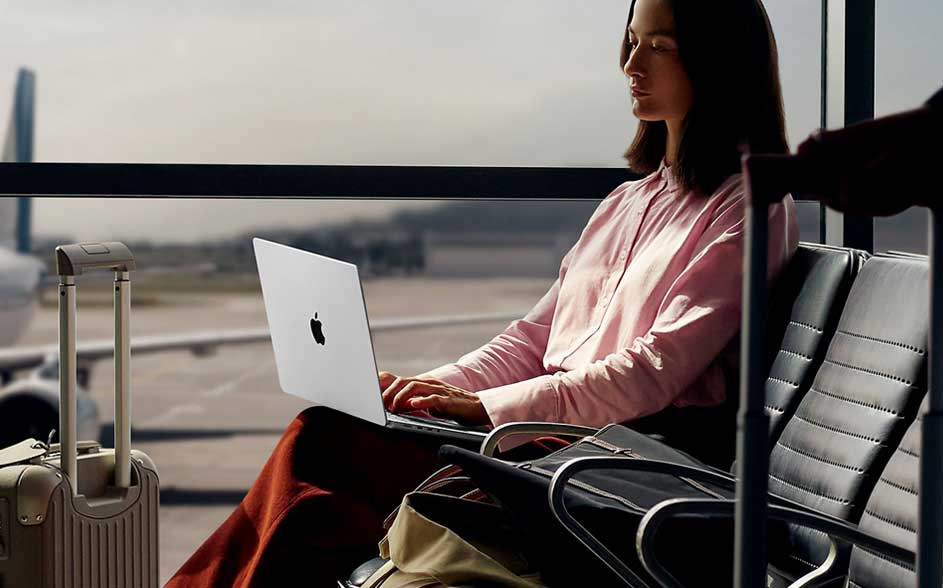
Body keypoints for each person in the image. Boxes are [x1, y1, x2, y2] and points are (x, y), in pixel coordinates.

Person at [165, 1, 799, 586]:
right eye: (630, 44)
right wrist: (428, 394)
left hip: (606, 455)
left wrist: (486, 410)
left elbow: (651, 374)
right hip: (537, 432)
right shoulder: (626, 203)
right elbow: (532, 338)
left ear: (718, 59)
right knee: (332, 442)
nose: (631, 65)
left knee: (322, 451)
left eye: (657, 46)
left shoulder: (746, 206)